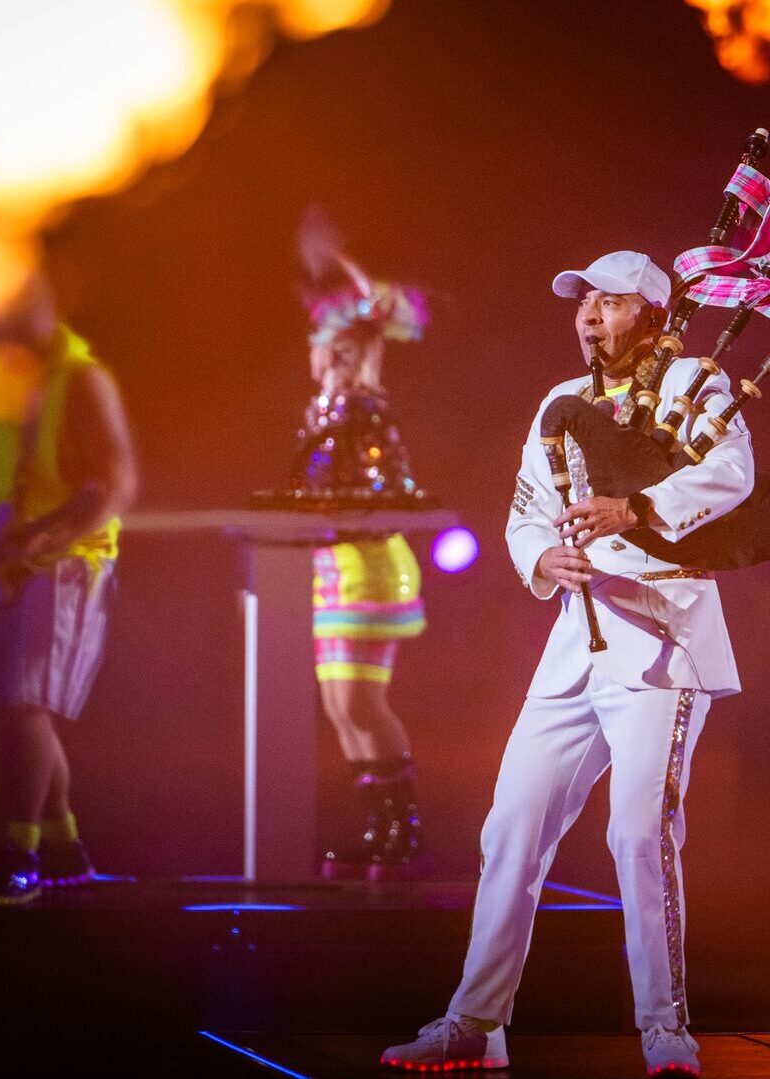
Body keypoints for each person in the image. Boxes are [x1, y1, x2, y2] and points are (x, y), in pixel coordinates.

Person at [383, 250, 751, 1077]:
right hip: (574, 647)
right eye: (582, 301)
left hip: (661, 642)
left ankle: (665, 1030)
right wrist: (542, 558)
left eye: (609, 302)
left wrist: (637, 506)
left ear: (650, 314)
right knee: (510, 825)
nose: (588, 314)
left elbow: (734, 472)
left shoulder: (695, 384)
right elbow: (526, 513)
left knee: (638, 836)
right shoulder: (558, 403)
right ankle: (478, 1022)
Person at [0, 274, 139, 905]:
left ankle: (20, 851)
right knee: (16, 708)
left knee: (24, 702)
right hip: (2, 560)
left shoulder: (83, 379)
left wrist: (44, 542)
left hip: (66, 564)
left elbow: (113, 484)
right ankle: (62, 842)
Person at [289, 221, 435, 879]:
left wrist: (342, 262)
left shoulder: (362, 399)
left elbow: (386, 312)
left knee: (358, 703)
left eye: (324, 344)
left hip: (370, 563)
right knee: (338, 705)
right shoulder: (319, 408)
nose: (314, 354)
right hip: (329, 565)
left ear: (346, 351)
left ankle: (401, 829)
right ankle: (377, 826)